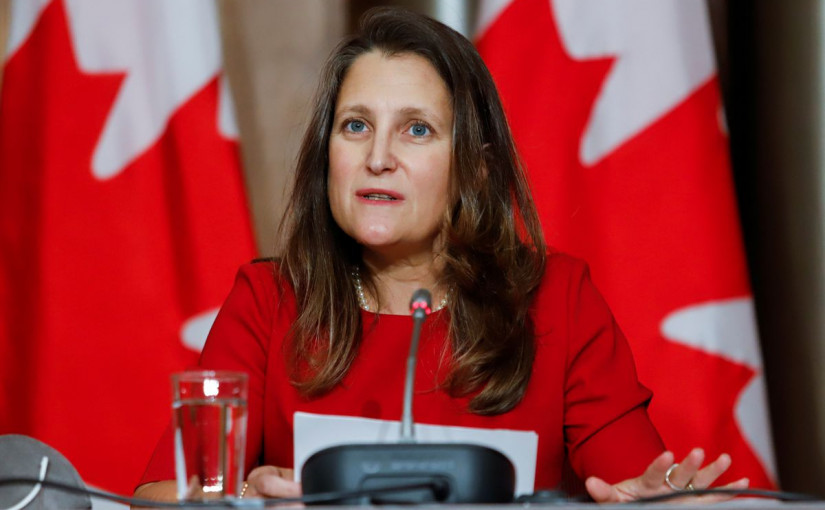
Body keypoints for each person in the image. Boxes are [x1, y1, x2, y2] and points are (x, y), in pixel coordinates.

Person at [134, 7, 749, 504]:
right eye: (355, 126)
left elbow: (630, 484)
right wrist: (246, 498)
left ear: (473, 169)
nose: (378, 158)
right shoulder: (270, 302)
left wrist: (654, 501)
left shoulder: (556, 301)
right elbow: (157, 496)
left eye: (417, 129)